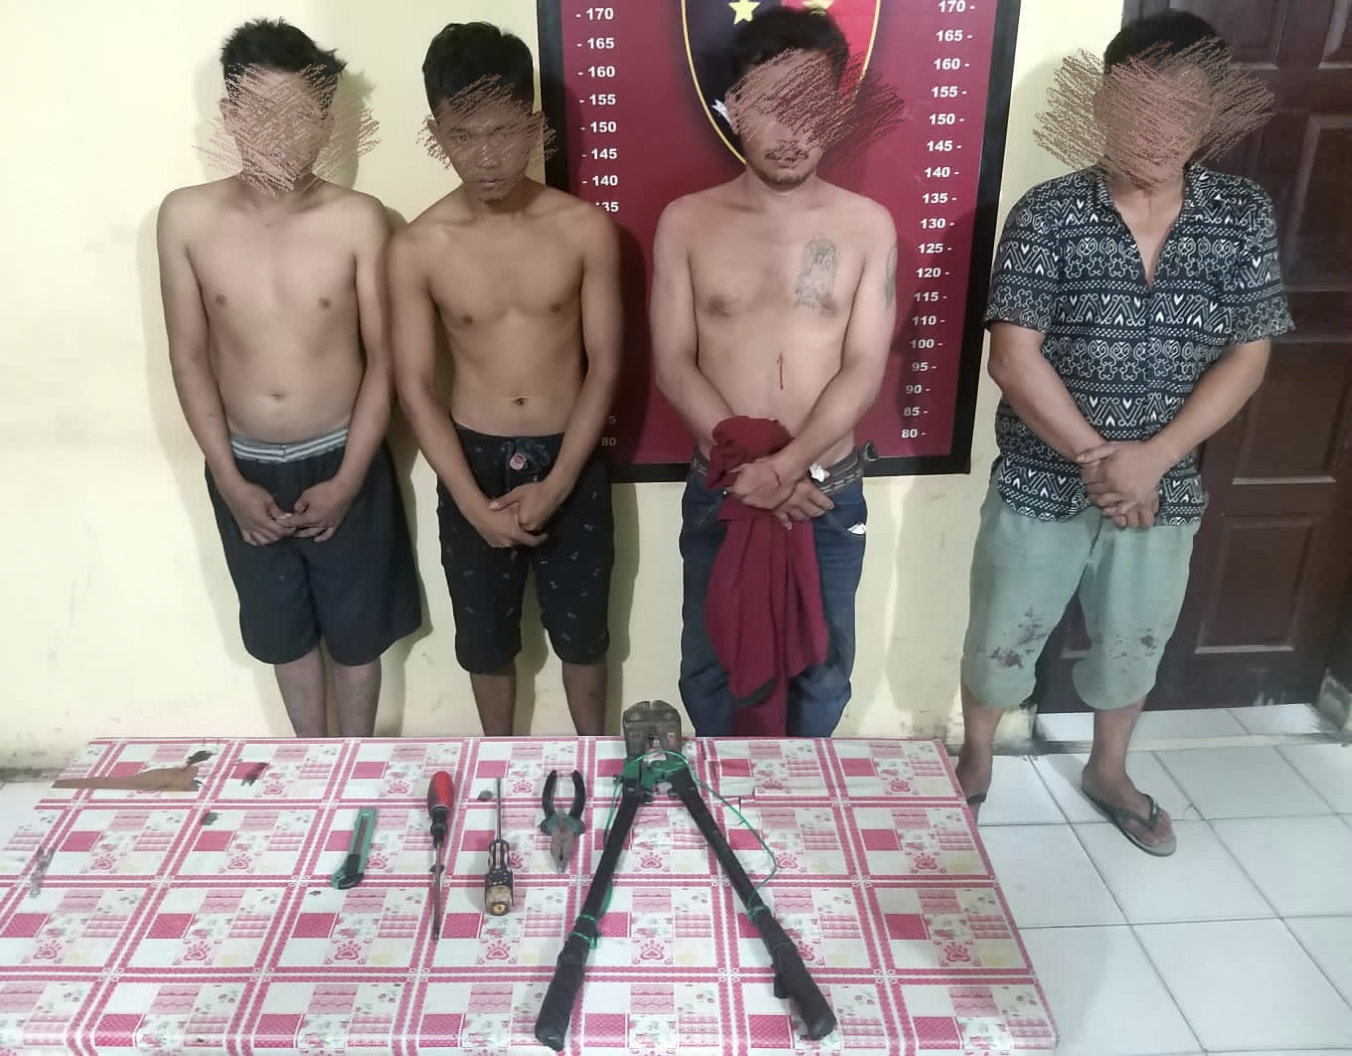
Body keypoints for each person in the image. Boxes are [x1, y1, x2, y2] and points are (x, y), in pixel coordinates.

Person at [955, 12, 1293, 854]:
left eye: (1183, 109)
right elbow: (1013, 357)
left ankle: (1108, 770)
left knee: (1136, 638)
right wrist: (1102, 461)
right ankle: (976, 758)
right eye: (1141, 106)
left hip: (1163, 489)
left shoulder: (1240, 215)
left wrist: (1154, 461)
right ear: (1104, 105)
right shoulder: (1049, 212)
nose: (1160, 129)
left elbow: (1249, 354)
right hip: (1040, 478)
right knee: (1001, 634)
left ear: (1210, 114)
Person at [157, 18, 422, 738]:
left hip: (344, 456)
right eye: (261, 111)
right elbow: (188, 357)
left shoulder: (360, 220)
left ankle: (355, 766)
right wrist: (229, 480)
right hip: (243, 464)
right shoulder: (185, 218)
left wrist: (350, 478)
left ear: (326, 124)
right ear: (230, 114)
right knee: (284, 634)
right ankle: (310, 766)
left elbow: (386, 360)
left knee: (358, 635)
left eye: (300, 115)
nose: (280, 133)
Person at [651, 8, 898, 738]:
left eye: (810, 105)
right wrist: (748, 471)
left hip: (826, 489)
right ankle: (725, 795)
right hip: (723, 484)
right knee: (712, 666)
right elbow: (672, 362)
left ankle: (801, 805)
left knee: (822, 671)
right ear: (732, 107)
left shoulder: (867, 225)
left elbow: (864, 365)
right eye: (768, 104)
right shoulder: (687, 221)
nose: (792, 130)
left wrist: (786, 469)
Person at [388, 22, 622, 737]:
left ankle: (595, 763)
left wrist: (558, 483)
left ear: (534, 124)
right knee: (486, 643)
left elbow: (606, 363)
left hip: (570, 451)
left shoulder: (584, 229)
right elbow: (415, 384)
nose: (486, 156)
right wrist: (470, 501)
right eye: (463, 136)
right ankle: (499, 766)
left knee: (584, 637)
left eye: (502, 132)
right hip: (473, 458)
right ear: (438, 133)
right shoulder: (418, 246)